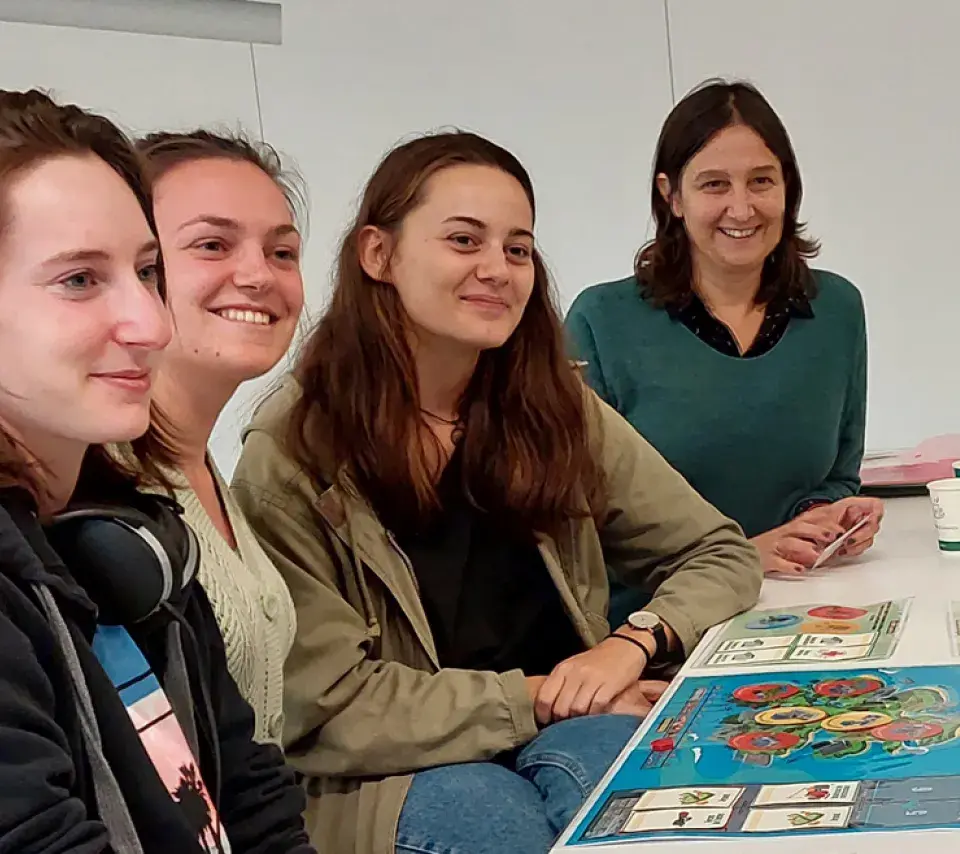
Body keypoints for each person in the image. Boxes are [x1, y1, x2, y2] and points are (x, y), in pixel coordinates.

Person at [231, 130, 762, 854]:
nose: (497, 270)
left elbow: (717, 551)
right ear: (377, 254)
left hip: (569, 726)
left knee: (629, 805)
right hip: (394, 769)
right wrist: (538, 695)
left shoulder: (555, 405)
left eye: (517, 249)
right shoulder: (292, 451)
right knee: (493, 822)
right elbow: (330, 706)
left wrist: (632, 643)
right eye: (463, 240)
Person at [0, 89, 313, 853]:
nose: (152, 323)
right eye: (78, 279)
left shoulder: (129, 538)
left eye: (146, 272)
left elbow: (255, 799)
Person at [565, 79, 882, 615]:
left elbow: (837, 475)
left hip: (798, 603)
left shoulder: (837, 309)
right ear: (671, 196)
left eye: (761, 181)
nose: (742, 207)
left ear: (788, 188)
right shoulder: (601, 321)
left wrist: (827, 520)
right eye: (714, 184)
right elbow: (580, 529)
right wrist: (741, 558)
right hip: (657, 623)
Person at [134, 130, 305, 745]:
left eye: (282, 252)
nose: (259, 275)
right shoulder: (96, 487)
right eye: (212, 245)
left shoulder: (201, 467)